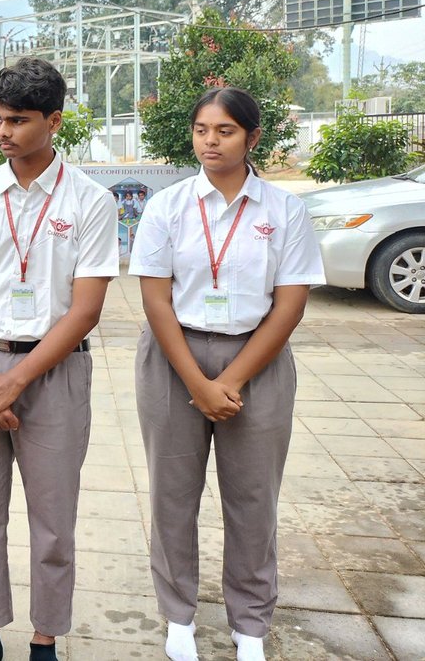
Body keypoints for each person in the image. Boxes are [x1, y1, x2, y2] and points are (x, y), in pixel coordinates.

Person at [129, 87, 324, 661]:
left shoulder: (283, 210)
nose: (210, 141)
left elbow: (289, 304)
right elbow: (156, 300)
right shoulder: (168, 206)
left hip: (257, 360)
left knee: (253, 498)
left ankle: (250, 623)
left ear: (253, 137)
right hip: (174, 360)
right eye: (201, 130)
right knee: (172, 494)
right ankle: (179, 617)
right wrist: (196, 382)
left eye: (225, 131)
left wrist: (232, 379)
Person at [0, 59, 118, 661]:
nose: (5, 132)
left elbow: (85, 309)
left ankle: (45, 640)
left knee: (53, 521)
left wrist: (14, 383)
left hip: (54, 371)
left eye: (19, 120)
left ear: (54, 121)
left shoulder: (89, 201)